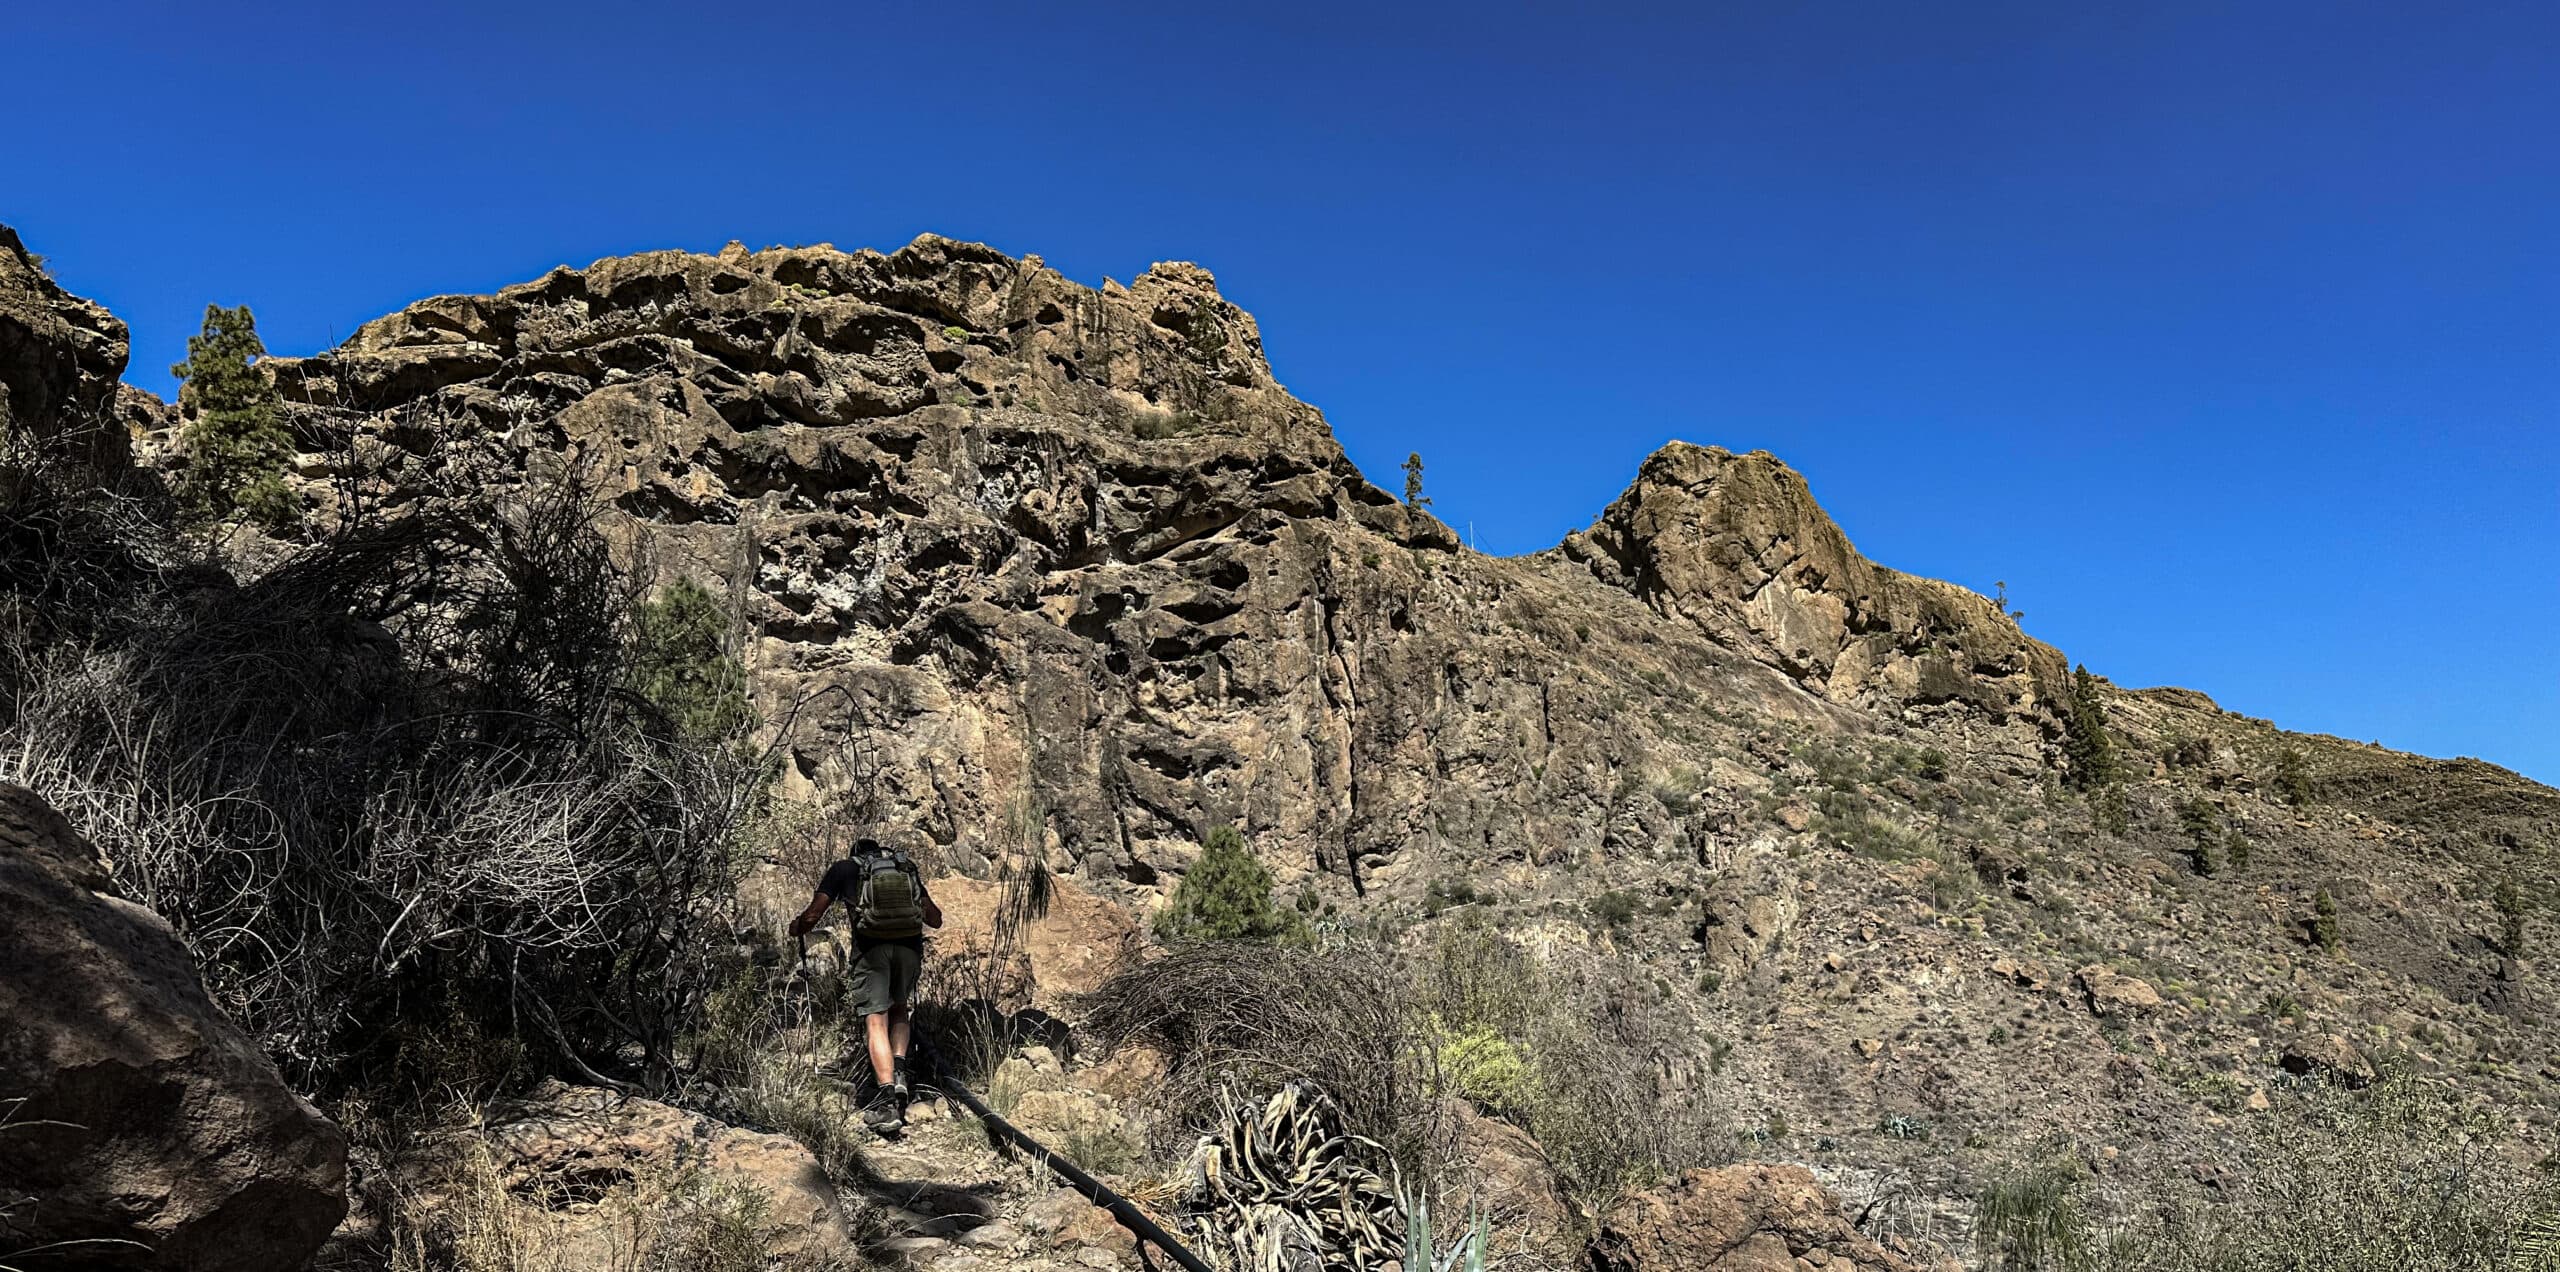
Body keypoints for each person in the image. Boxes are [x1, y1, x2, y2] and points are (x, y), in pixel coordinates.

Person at [788, 835, 943, 1131]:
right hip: (909, 950)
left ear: (856, 855)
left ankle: (887, 1102)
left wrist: (797, 928)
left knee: (875, 1020)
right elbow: (934, 919)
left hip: (871, 952)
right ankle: (899, 1074)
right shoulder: (904, 867)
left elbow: (813, 914)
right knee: (900, 1009)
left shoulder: (845, 869)